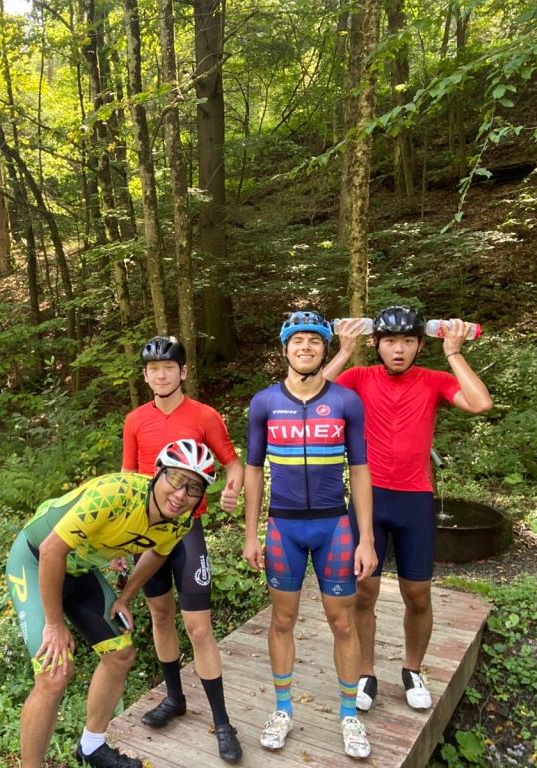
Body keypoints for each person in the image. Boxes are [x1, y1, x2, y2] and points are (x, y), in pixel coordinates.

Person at [6, 439, 218, 768]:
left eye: (193, 488)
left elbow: (157, 552)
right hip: (36, 561)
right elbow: (51, 550)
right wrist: (54, 624)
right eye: (176, 479)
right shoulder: (114, 495)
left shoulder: (180, 522)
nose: (180, 495)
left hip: (80, 570)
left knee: (120, 655)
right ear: (157, 473)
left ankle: (91, 747)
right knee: (54, 673)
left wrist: (125, 596)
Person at [324, 307, 493, 713]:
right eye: (389, 341)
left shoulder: (434, 380)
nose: (398, 350)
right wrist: (344, 351)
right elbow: (310, 395)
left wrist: (454, 352)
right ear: (376, 344)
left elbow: (480, 403)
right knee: (364, 591)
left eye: (407, 341)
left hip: (415, 498)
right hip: (369, 497)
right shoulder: (359, 378)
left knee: (417, 595)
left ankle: (413, 670)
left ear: (420, 345)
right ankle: (365, 673)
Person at [243, 310, 377, 759]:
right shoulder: (264, 403)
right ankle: (283, 709)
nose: (306, 347)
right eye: (297, 341)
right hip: (283, 527)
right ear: (285, 349)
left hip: (333, 526)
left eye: (315, 341)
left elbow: (360, 470)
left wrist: (366, 538)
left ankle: (349, 714)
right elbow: (253, 470)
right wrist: (250, 533)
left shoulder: (345, 402)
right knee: (282, 621)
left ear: (325, 349)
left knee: (342, 622)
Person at [121, 336, 244, 763]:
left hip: (187, 531)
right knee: (160, 615)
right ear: (145, 376)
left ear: (183, 371)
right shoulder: (135, 420)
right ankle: (174, 697)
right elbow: (127, 477)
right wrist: (120, 538)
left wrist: (232, 489)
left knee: (199, 627)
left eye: (168, 368)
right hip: (145, 532)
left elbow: (232, 463)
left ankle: (223, 722)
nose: (161, 375)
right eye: (153, 369)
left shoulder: (204, 415)